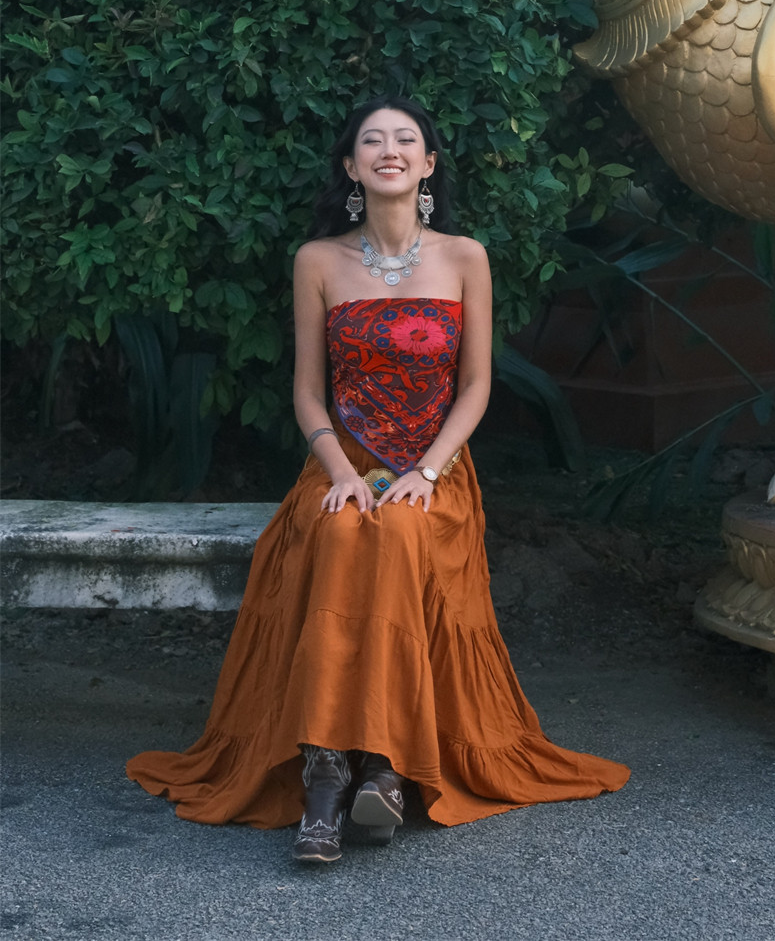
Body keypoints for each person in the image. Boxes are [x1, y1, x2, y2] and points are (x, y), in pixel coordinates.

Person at [128, 96, 628, 862]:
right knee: (338, 529)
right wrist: (340, 471)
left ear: (428, 163)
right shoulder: (318, 260)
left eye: (405, 139)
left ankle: (385, 768)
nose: (389, 149)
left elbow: (476, 386)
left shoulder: (464, 257)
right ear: (351, 166)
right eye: (372, 140)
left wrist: (427, 470)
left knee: (399, 530)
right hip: (342, 463)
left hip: (437, 468)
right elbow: (307, 393)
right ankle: (326, 772)